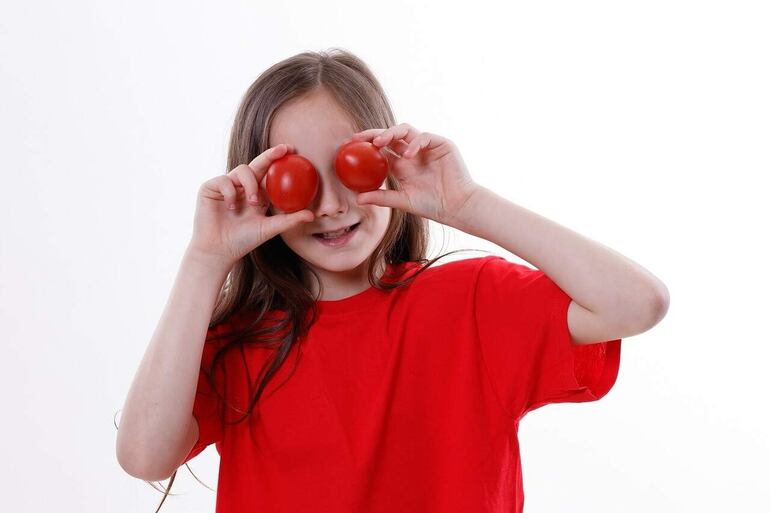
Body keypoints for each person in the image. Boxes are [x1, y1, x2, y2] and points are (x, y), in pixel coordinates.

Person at [116, 48, 669, 513]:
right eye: (298, 180)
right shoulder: (242, 340)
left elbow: (638, 303)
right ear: (262, 190)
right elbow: (143, 456)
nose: (331, 205)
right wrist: (205, 259)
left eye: (351, 165)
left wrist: (467, 203)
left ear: (385, 159)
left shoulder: (471, 303)